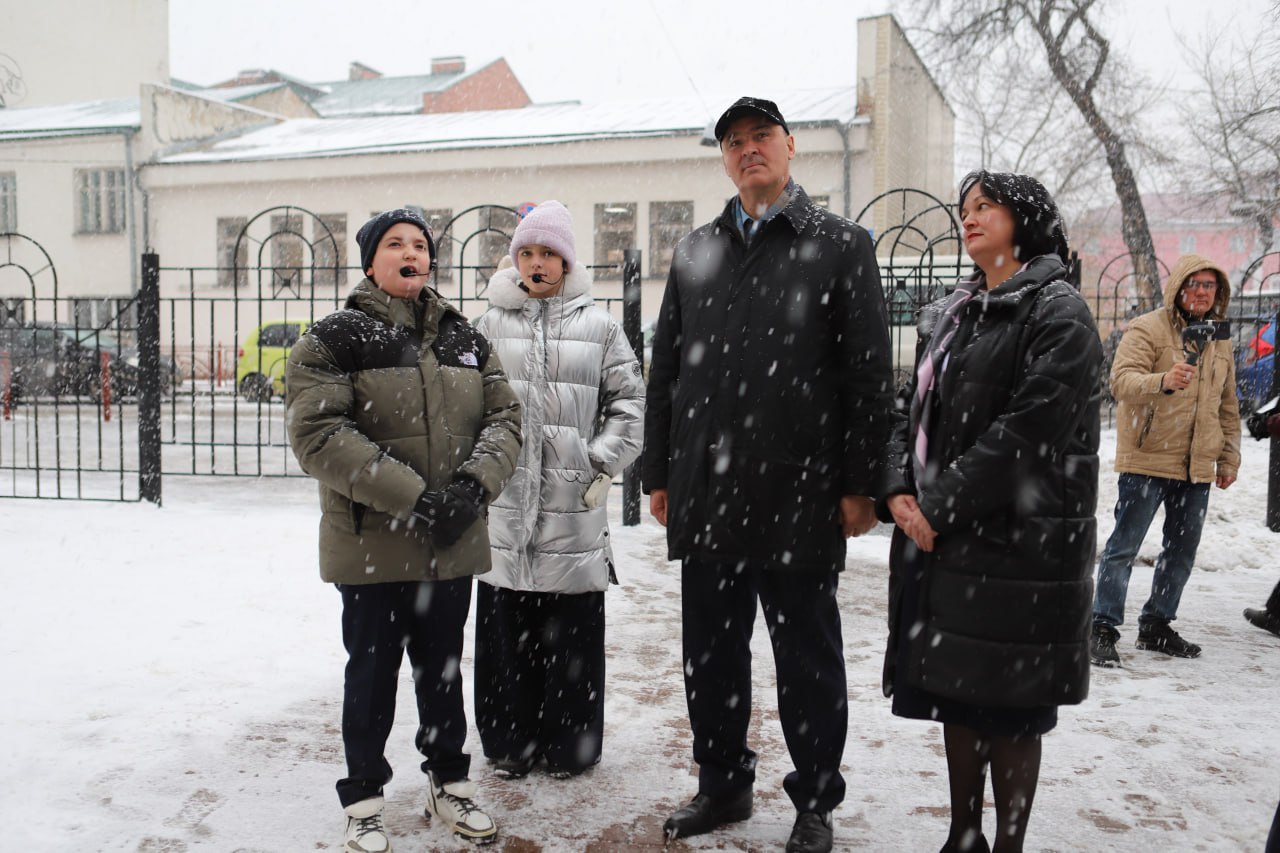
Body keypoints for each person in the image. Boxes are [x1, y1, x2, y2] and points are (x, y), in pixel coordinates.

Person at [642, 96, 893, 853]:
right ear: (723, 158)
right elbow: (665, 374)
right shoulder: (694, 252)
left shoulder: (840, 245)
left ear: (790, 148)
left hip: (800, 490)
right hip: (708, 492)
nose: (749, 150)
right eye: (734, 141)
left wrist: (862, 481)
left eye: (761, 137)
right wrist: (658, 471)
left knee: (806, 656)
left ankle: (814, 798)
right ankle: (721, 783)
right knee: (711, 651)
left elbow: (867, 375)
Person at [877, 170, 1102, 853]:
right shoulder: (953, 310)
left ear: (1025, 219)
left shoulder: (1057, 311)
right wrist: (896, 487)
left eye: (986, 207)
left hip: (1022, 545)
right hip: (951, 539)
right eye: (964, 209)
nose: (968, 218)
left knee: (1012, 707)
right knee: (963, 693)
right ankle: (963, 833)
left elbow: (1028, 433)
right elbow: (905, 408)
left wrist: (936, 507)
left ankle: (1006, 843)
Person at [285, 208, 522, 851]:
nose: (410, 252)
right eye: (395, 244)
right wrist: (416, 499)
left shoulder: (464, 337)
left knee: (442, 672)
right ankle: (363, 797)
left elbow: (506, 419)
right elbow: (319, 435)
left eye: (420, 244)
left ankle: (450, 783)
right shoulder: (335, 337)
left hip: (449, 546)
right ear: (370, 262)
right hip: (372, 544)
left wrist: (473, 488)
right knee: (371, 674)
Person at [472, 200, 645, 779]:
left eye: (549, 253)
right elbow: (464, 405)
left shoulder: (599, 327)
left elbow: (631, 405)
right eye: (528, 252)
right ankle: (508, 742)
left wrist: (599, 462)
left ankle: (569, 741)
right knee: (505, 630)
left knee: (570, 635)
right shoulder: (489, 325)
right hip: (504, 511)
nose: (537, 263)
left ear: (567, 262)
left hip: (572, 511)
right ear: (515, 258)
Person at [1090, 254, 1240, 667]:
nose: (1202, 292)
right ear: (1178, 286)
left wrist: (1228, 456)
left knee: (1181, 550)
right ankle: (1101, 627)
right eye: (1195, 284)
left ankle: (1156, 625)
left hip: (1196, 465)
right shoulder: (1148, 328)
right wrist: (1163, 380)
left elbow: (1228, 403)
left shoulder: (1219, 339)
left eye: (1210, 286)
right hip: (1147, 459)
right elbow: (1120, 382)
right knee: (1124, 547)